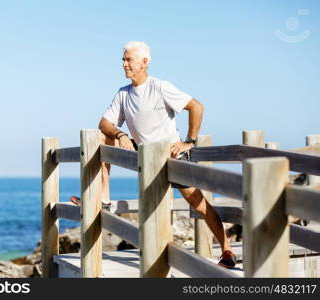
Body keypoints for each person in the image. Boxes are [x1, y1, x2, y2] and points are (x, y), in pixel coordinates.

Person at [71, 41, 236, 269]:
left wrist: (189, 141)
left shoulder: (160, 87)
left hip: (171, 156)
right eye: (123, 60)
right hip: (145, 157)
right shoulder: (123, 94)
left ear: (145, 62)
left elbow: (196, 107)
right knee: (102, 137)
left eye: (129, 59)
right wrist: (120, 134)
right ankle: (104, 199)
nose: (124, 64)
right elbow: (103, 123)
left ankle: (226, 249)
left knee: (198, 203)